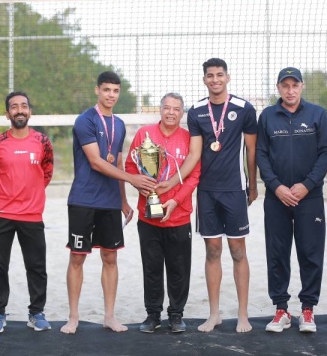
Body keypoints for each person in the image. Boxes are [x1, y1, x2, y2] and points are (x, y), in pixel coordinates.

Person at [61, 71, 156, 334]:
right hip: (83, 199)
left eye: (115, 91)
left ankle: (110, 316)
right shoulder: (85, 120)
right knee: (78, 257)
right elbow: (96, 162)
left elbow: (118, 161)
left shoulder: (120, 124)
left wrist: (123, 198)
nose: (111, 95)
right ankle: (73, 317)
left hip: (110, 202)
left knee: (110, 257)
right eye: (106, 90)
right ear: (97, 90)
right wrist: (133, 179)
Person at [257, 67, 327, 334]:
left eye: (295, 85)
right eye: (285, 85)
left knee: (310, 253)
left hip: (309, 197)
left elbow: (326, 152)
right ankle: (281, 309)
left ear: (302, 87)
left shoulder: (317, 114)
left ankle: (308, 310)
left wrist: (307, 184)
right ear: (278, 88)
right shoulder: (267, 116)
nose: (290, 90)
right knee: (277, 254)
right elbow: (261, 156)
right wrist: (276, 187)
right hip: (277, 198)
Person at [185, 58, 258, 333]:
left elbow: (251, 150)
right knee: (212, 250)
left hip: (234, 190)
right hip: (207, 192)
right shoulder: (197, 111)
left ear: (228, 77)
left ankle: (242, 315)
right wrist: (174, 182)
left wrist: (252, 184)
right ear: (204, 80)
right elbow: (194, 154)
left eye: (219, 75)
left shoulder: (243, 109)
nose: (215, 79)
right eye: (210, 76)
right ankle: (214, 314)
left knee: (238, 251)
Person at [125, 93, 201, 334]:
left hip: (178, 216)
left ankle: (176, 315)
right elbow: (129, 167)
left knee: (179, 269)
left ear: (182, 113)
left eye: (176, 109)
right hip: (148, 216)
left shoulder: (189, 139)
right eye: (167, 107)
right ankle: (152, 315)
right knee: (152, 267)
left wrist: (176, 201)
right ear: (160, 110)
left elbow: (194, 175)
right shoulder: (144, 135)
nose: (171, 112)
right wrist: (142, 186)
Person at [0, 91, 54, 333]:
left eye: (24, 106)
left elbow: (46, 173)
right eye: (14, 107)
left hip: (32, 215)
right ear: (7, 114)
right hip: (1, 214)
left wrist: (30, 194)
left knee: (36, 267)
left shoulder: (43, 142)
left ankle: (36, 313)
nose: (19, 110)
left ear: (30, 111)